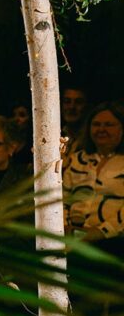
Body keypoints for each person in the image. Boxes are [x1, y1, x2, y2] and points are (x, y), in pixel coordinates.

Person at [63, 101, 124, 244]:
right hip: (70, 239)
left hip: (113, 241)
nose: (101, 129)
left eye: (109, 125)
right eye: (96, 124)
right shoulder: (77, 160)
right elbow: (61, 198)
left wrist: (99, 233)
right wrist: (64, 227)